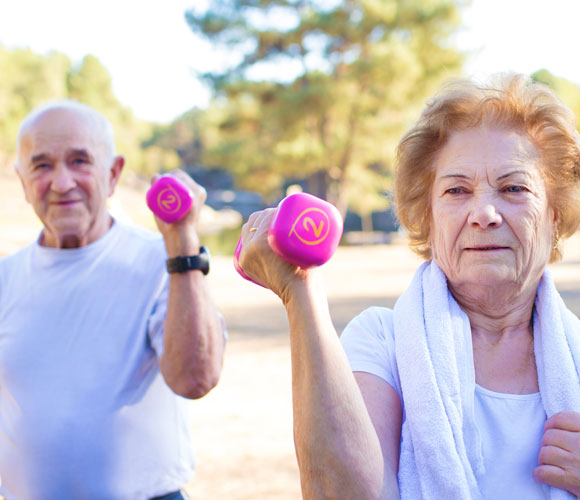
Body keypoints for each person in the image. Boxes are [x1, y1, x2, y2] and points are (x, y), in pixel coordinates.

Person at [236, 74, 580, 499]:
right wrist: (300, 292)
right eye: (457, 189)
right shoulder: (382, 340)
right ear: (428, 216)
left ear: (555, 215)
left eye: (513, 188)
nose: (484, 212)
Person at [0, 100, 227, 499]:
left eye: (79, 161)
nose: (61, 183)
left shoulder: (163, 261)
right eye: (41, 165)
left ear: (114, 173)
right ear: (21, 179)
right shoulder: (5, 278)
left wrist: (183, 244)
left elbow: (195, 378)